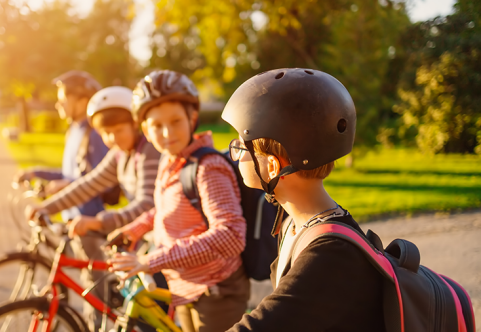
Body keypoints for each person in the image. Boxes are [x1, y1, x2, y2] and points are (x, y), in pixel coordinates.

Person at [221, 68, 385, 331]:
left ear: (273, 167)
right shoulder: (293, 223)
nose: (236, 155)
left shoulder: (329, 254)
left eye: (241, 146)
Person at [107, 70, 250, 332]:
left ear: (192, 118)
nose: (167, 132)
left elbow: (230, 235)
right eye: (157, 126)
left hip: (216, 291)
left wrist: (150, 261)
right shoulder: (170, 160)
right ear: (145, 131)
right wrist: (133, 230)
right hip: (185, 287)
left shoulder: (207, 168)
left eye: (175, 121)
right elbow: (162, 209)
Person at [26, 86, 161, 332]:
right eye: (105, 133)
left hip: (163, 241)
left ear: (135, 123)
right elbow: (87, 185)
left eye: (118, 130)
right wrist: (46, 207)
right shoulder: (121, 153)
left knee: (147, 318)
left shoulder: (149, 150)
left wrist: (99, 221)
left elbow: (148, 204)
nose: (112, 139)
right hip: (144, 236)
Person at [15, 70, 109, 222]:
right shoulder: (73, 130)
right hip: (69, 217)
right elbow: (68, 174)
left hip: (87, 222)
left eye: (64, 99)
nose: (58, 104)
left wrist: (67, 185)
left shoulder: (94, 136)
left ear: (83, 103)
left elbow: (103, 182)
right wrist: (35, 172)